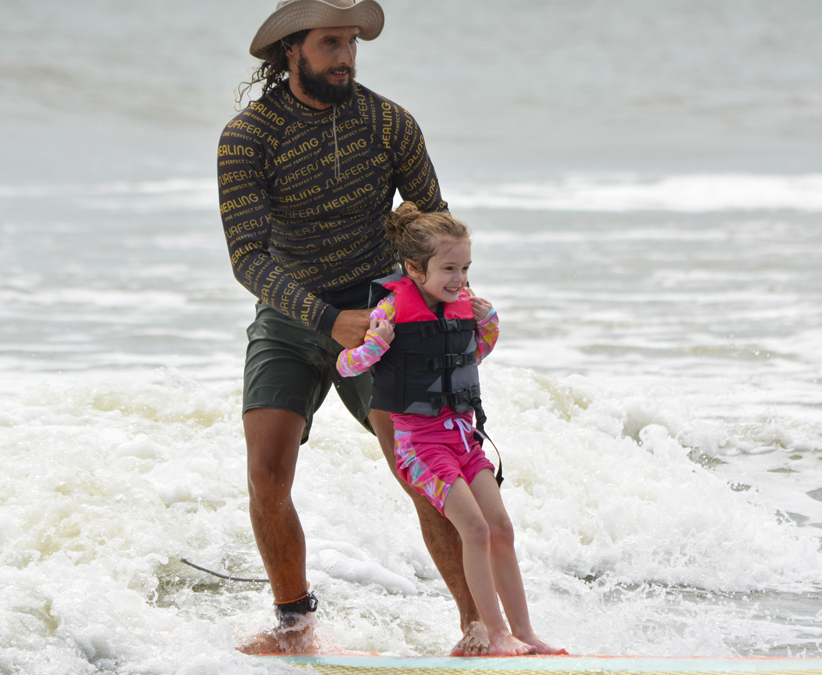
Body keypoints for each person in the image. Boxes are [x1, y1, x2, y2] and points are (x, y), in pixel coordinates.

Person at [218, 0, 486, 654]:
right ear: (290, 51)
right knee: (266, 471)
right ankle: (294, 626)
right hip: (290, 314)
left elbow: (433, 224)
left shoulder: (388, 123)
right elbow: (248, 256)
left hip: (384, 311)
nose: (345, 56)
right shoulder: (248, 136)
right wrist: (326, 318)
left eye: (351, 43)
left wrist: (458, 301)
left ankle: (477, 627)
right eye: (330, 43)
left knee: (422, 466)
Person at [336, 203, 565, 656]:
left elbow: (470, 357)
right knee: (475, 530)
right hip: (420, 447)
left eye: (465, 268)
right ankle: (495, 633)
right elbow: (346, 366)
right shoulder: (390, 309)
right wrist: (375, 343)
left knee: (501, 528)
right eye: (449, 269)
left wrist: (489, 324)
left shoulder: (460, 306)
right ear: (414, 269)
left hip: (464, 438)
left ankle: (525, 632)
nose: (460, 279)